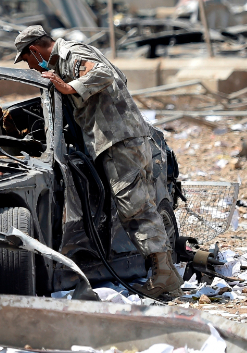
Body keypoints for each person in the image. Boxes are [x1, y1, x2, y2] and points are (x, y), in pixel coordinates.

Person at [13, 25, 183, 298]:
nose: (31, 67)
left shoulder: (71, 54)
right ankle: (167, 274)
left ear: (34, 50)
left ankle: (163, 276)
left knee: (135, 209)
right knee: (140, 205)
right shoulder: (67, 59)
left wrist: (69, 88)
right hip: (122, 138)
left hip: (118, 140)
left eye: (27, 60)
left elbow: (107, 74)